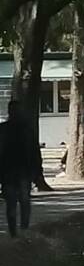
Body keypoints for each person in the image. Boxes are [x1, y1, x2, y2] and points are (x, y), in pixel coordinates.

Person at [0, 100, 40, 237]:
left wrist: (36, 171)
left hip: (16, 172)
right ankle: (20, 231)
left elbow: (34, 152)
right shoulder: (25, 130)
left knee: (18, 202)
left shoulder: (19, 130)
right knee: (21, 202)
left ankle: (19, 231)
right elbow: (35, 152)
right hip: (15, 172)